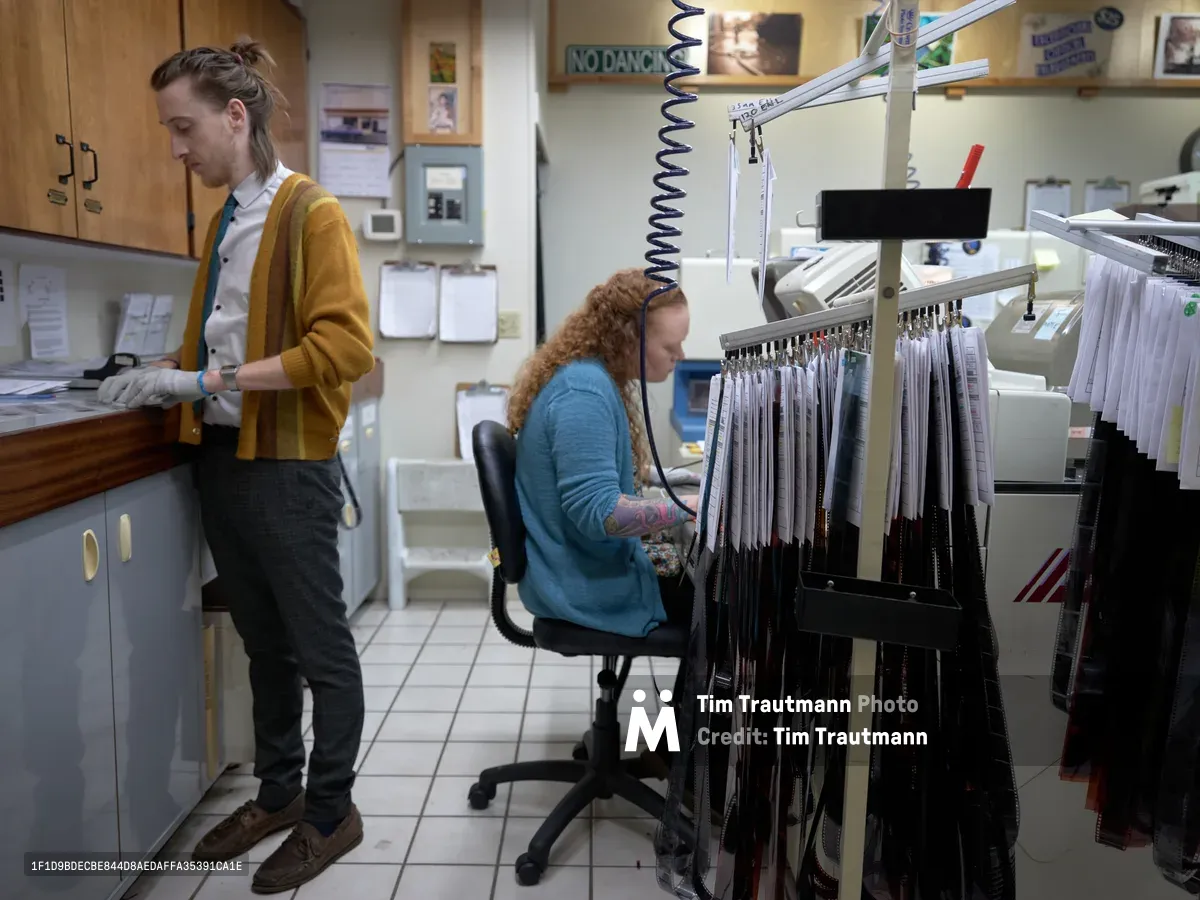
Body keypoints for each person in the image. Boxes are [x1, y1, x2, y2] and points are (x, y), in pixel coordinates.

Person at [97, 39, 374, 893]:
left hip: (287, 466)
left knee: (321, 651)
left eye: (184, 129)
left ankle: (332, 814)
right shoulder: (224, 221)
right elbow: (225, 337)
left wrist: (204, 378)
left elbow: (344, 347)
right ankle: (279, 794)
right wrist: (166, 377)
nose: (177, 149)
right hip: (221, 455)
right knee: (263, 646)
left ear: (235, 116)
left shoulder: (310, 213)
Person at [506, 268, 696, 642]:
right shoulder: (583, 394)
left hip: (581, 569)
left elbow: (593, 469)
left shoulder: (590, 377)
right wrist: (690, 506)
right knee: (729, 599)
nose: (680, 356)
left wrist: (664, 476)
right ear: (629, 339)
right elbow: (603, 515)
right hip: (586, 586)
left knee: (704, 571)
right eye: (670, 347)